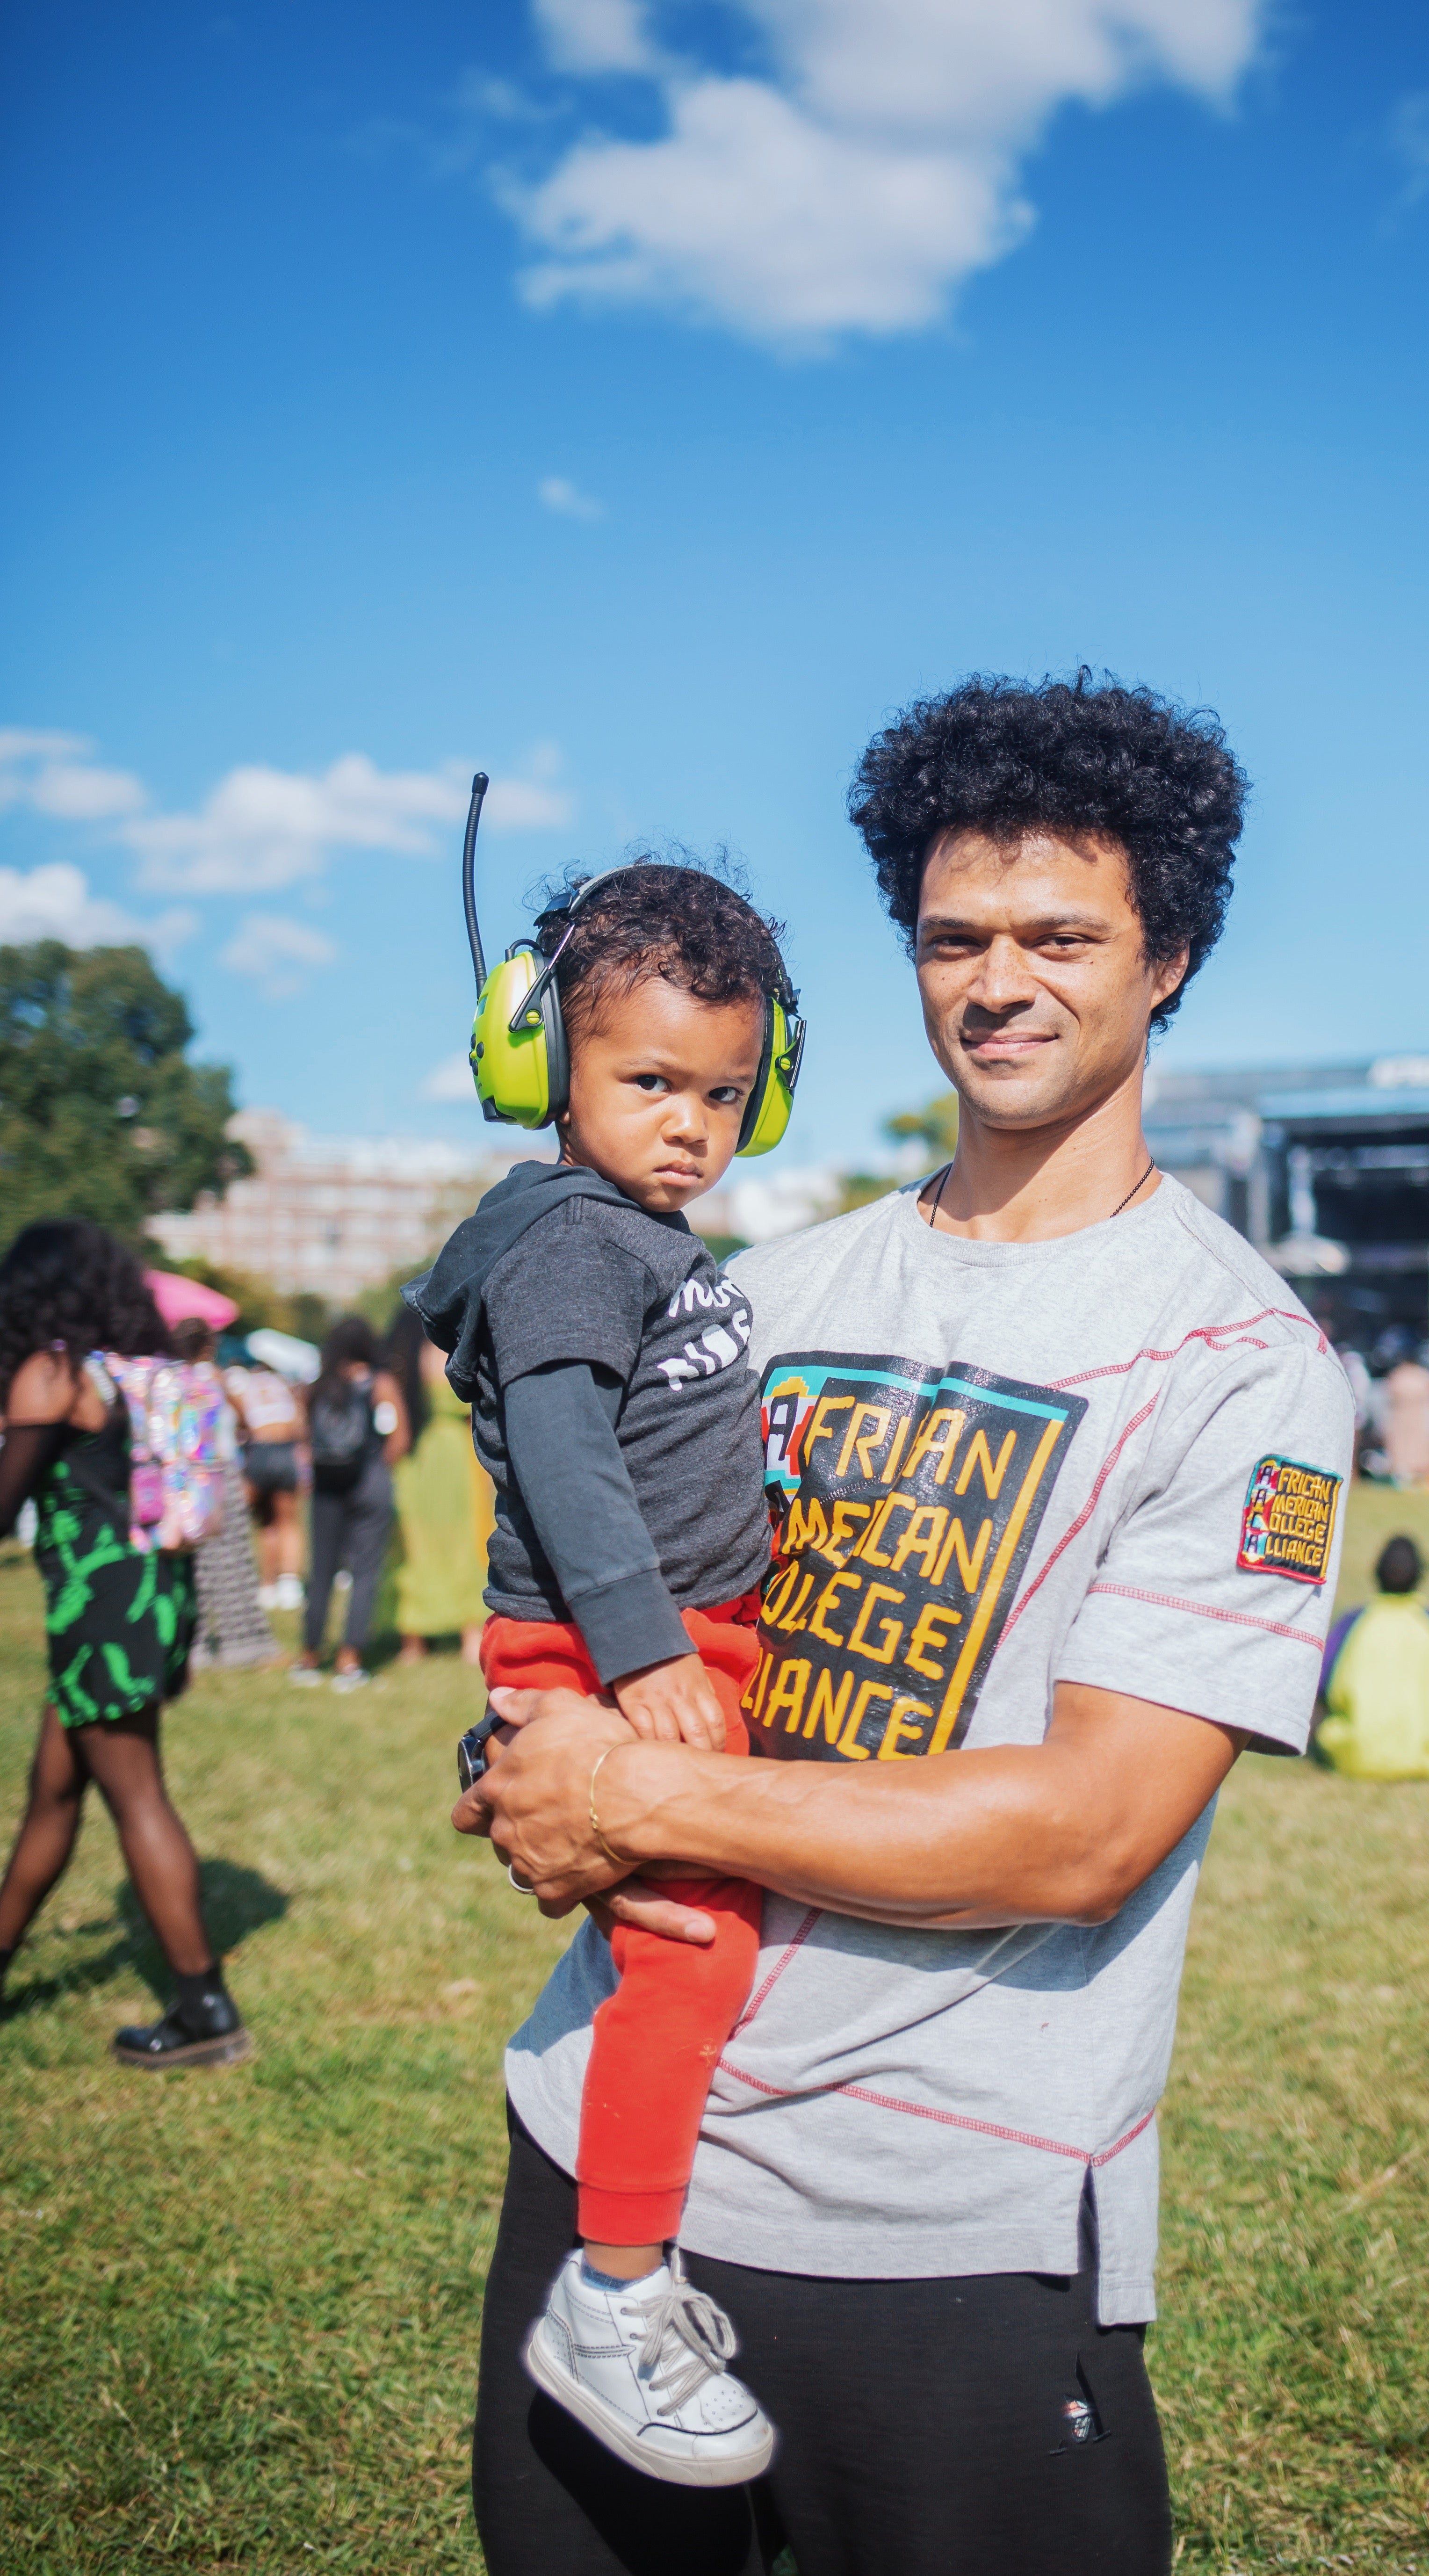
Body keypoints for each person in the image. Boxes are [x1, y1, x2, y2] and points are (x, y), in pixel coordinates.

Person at [454, 673, 1354, 2576]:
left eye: (1058, 936)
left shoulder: (1244, 1364)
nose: (997, 981)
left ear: (1168, 956)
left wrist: (640, 1804)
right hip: (614, 2164)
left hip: (954, 2226)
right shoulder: (756, 1288)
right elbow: (581, 1585)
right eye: (955, 937)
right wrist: (526, 1758)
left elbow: (1087, 1833)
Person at [410, 867, 791, 2485]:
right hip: (613, 1642)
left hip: (665, 1636)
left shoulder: (642, 1229)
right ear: (542, 1063)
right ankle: (614, 2281)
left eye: (721, 1088)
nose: (689, 1122)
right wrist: (640, 1653)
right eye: (646, 1080)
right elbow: (561, 1456)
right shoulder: (571, 1238)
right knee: (691, 1954)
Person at [0, 1220, 250, 2067]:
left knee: (136, 1793)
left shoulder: (54, 1372)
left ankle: (205, 2009)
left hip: (100, 1609)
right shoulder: (133, 1372)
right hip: (146, 1597)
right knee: (53, 1793)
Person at [1315, 1534, 1429, 1780]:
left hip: (1358, 1755)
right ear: (1420, 1576)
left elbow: (1321, 1688)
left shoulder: (1353, 1623)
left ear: (1376, 1574)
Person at [291, 1317, 407, 1693]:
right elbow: (399, 1437)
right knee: (365, 1573)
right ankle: (349, 1659)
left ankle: (309, 1656)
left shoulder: (317, 1386)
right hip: (368, 1483)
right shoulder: (379, 1382)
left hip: (326, 1486)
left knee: (321, 1570)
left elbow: (302, 1437)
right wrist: (377, 1466)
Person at [170, 1319, 279, 1672]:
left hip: (184, 1478)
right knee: (232, 1560)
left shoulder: (170, 1380)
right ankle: (242, 1641)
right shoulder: (213, 1378)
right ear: (208, 1345)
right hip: (219, 1475)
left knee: (193, 1563)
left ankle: (194, 1643)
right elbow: (244, 1419)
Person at [384, 1306, 489, 1667]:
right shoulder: (448, 1354)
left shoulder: (399, 1364)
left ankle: (412, 1642)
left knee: (414, 1546)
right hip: (455, 1457)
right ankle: (469, 1637)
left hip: (413, 1461)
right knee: (464, 1542)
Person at [225, 1348, 306, 1608]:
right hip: (285, 1450)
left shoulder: (244, 1385)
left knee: (265, 1523)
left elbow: (240, 1419)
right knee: (289, 1521)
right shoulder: (282, 1384)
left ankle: (267, 1586)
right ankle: (290, 1585)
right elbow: (299, 1421)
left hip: (259, 1451)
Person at [1382, 1349, 1429, 1487]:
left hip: (1419, 1417)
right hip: (1402, 1418)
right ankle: (1403, 1476)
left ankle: (1420, 1475)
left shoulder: (1421, 1376)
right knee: (1403, 1445)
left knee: (1421, 1446)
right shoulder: (1400, 1375)